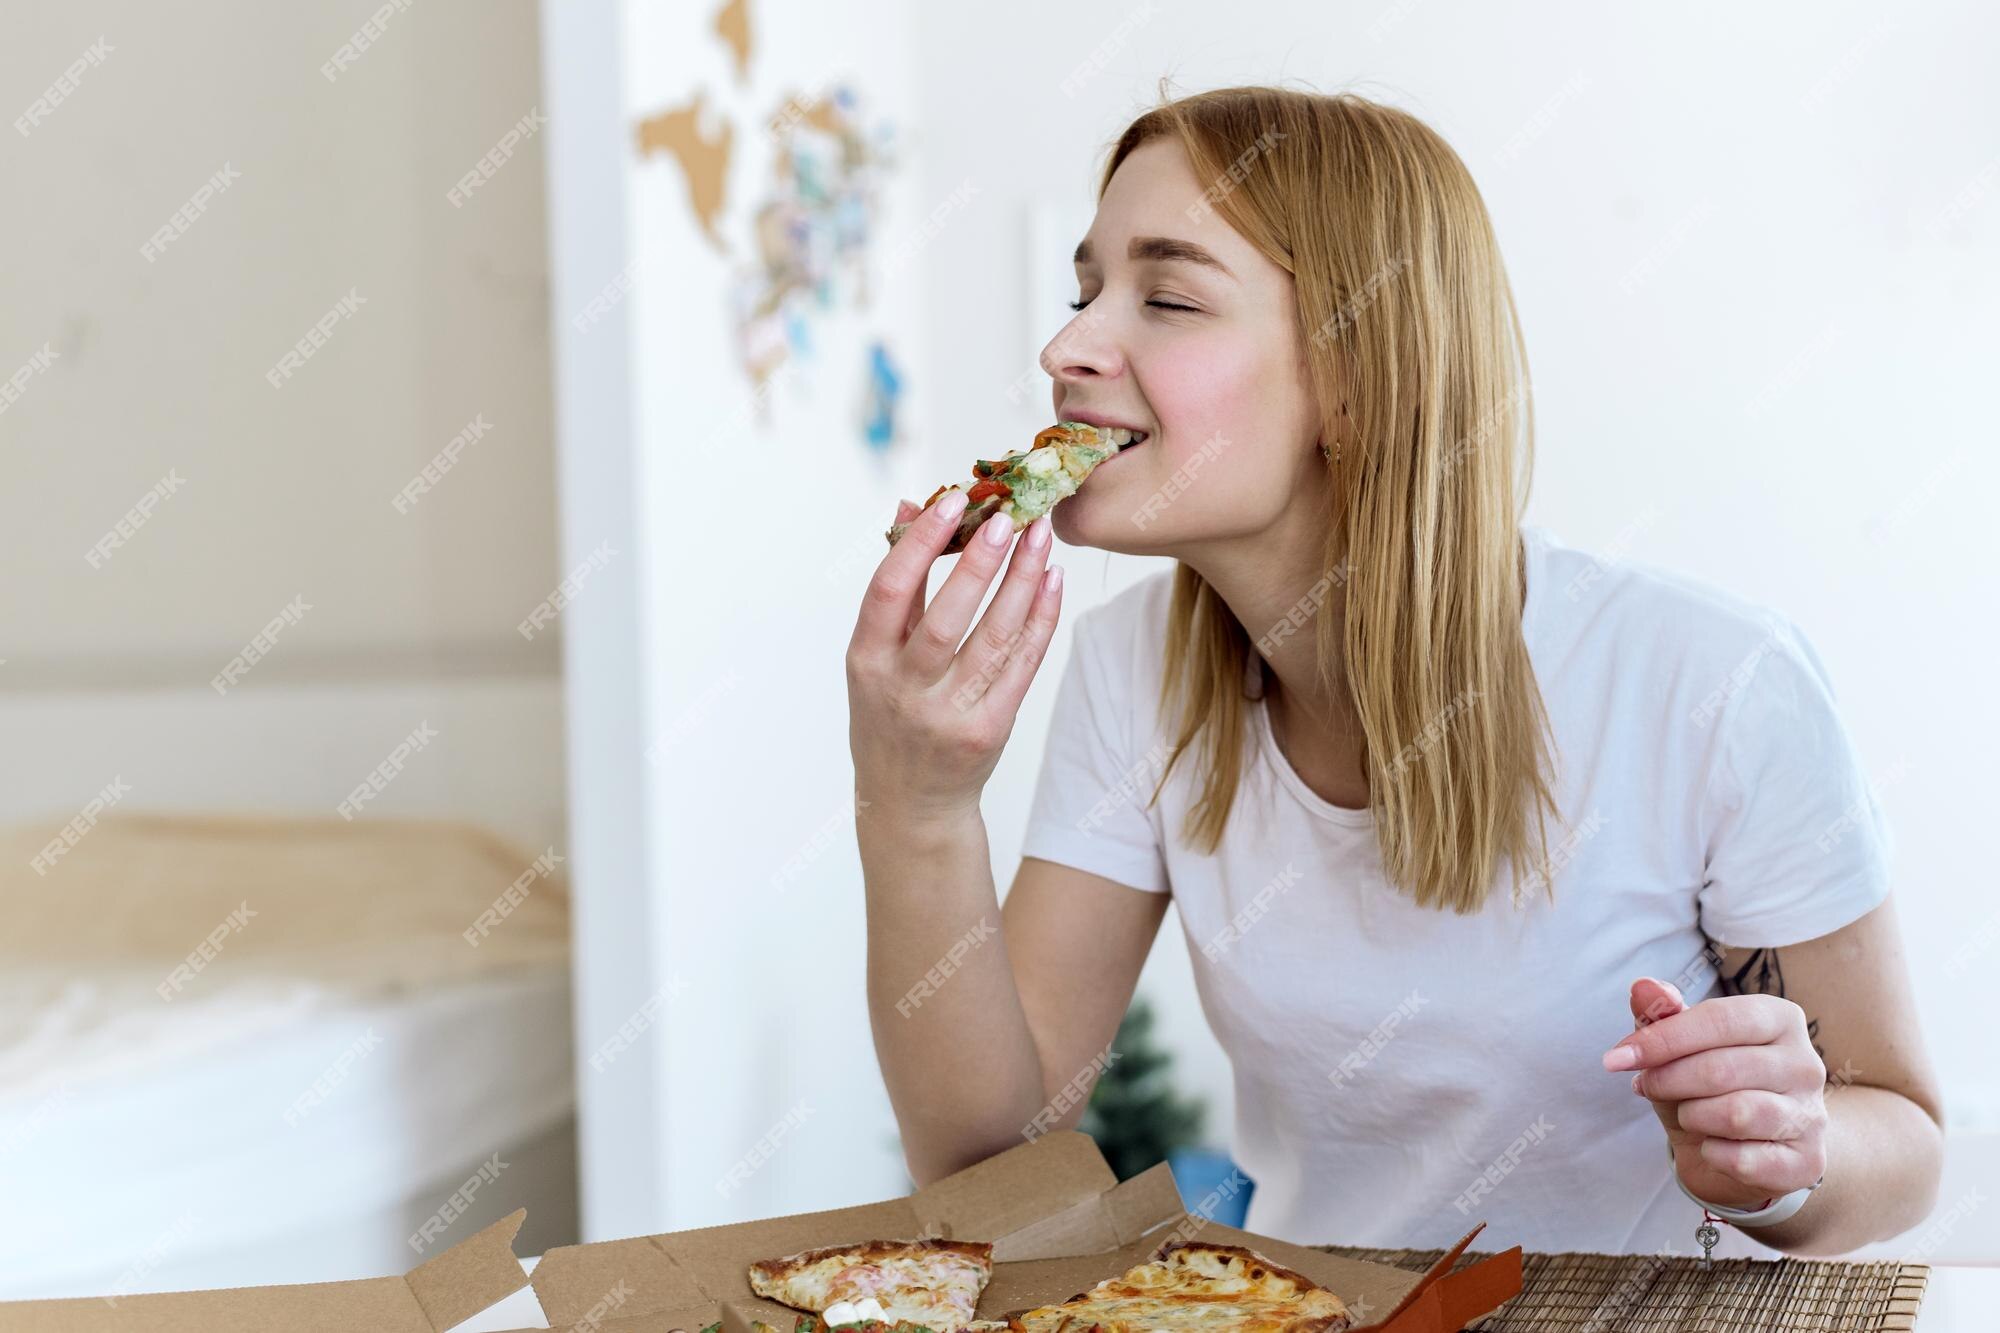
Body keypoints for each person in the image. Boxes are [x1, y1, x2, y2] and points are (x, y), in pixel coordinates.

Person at [844, 84, 1942, 1258]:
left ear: (1356, 377)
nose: (1065, 346)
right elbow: (986, 1165)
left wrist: (1785, 1154)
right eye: (1083, 290)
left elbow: (1902, 1137)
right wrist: (916, 806)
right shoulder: (1131, 678)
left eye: (1164, 297)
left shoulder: (1711, 682)